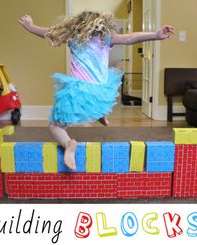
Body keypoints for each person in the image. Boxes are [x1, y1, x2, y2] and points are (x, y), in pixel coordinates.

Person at [19, 11, 175, 170]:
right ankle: (101, 114)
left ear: (78, 25)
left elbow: (49, 33)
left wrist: (30, 27)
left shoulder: (73, 38)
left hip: (78, 91)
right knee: (98, 99)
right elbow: (130, 37)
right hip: (101, 92)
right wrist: (155, 34)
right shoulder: (105, 39)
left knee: (55, 126)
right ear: (103, 26)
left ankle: (68, 144)